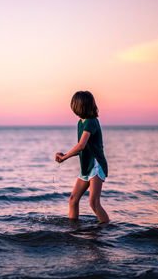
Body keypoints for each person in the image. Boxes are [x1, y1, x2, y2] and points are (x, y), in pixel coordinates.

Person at [55, 91, 110, 224]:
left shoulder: (91, 122)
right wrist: (65, 155)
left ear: (80, 106)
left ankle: (106, 229)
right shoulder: (81, 123)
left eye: (74, 105)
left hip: (96, 165)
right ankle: (73, 229)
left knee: (93, 202)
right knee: (73, 199)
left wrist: (64, 157)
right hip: (86, 166)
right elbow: (83, 149)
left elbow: (81, 145)